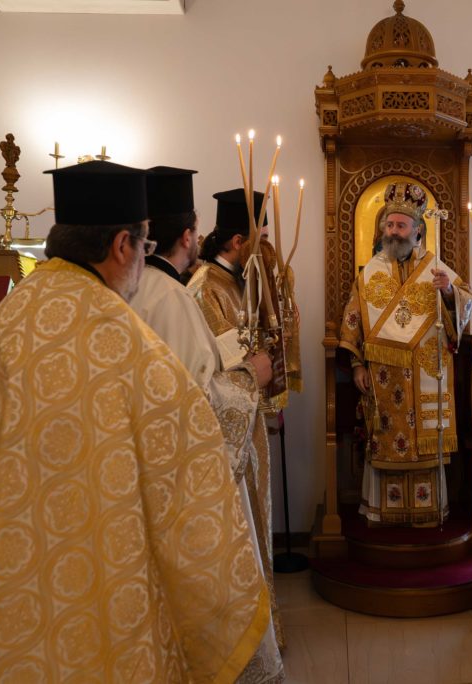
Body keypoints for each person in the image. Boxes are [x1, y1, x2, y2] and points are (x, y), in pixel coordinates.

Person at [0, 161, 270, 682]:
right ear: (123, 245)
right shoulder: (120, 334)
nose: (144, 263)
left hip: (5, 565)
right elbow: (188, 450)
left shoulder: (11, 312)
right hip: (95, 572)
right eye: (144, 247)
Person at [129, 167, 284, 683]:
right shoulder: (173, 297)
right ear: (187, 235)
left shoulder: (140, 291)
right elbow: (198, 401)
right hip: (187, 473)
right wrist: (252, 377)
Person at [339, 182, 472, 526]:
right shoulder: (369, 274)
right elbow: (353, 321)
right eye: (389, 224)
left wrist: (448, 293)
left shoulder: (436, 268)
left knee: (423, 443)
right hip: (383, 379)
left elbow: (465, 305)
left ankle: (428, 511)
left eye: (401, 225)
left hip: (424, 375)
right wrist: (357, 365)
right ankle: (383, 512)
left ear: (417, 231)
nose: (394, 231)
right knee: (384, 440)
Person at [186, 187, 284, 649]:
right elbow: (230, 362)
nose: (267, 247)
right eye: (261, 238)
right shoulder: (207, 286)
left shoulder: (239, 280)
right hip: (229, 426)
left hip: (249, 417)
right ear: (239, 241)